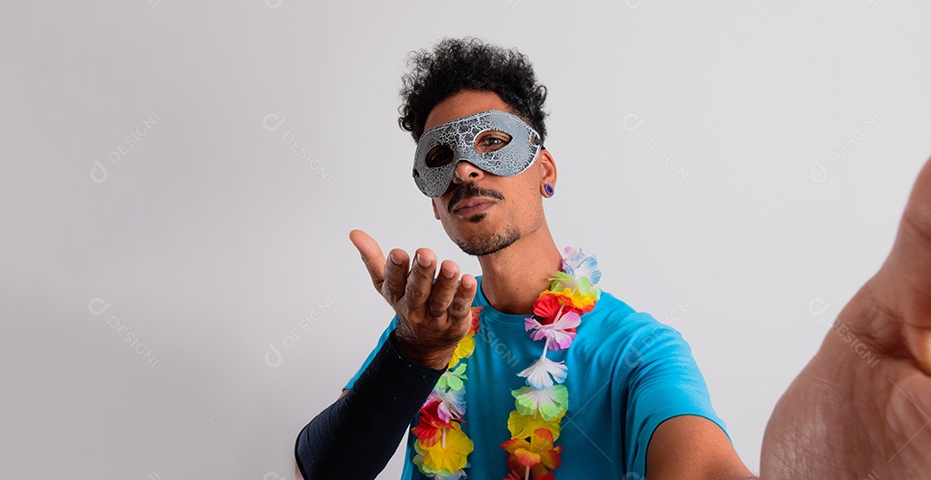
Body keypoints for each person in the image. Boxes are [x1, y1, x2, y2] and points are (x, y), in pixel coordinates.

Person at [295, 37, 931, 479]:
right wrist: (413, 353)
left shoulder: (638, 351)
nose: (465, 167)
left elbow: (702, 467)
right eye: (440, 158)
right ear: (434, 203)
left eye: (494, 142)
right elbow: (324, 468)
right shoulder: (428, 329)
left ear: (545, 169)